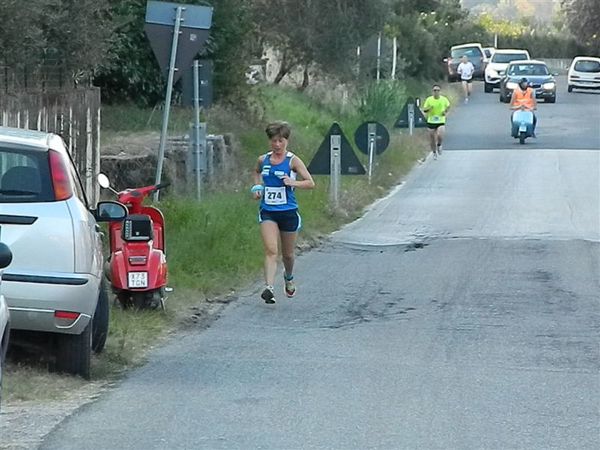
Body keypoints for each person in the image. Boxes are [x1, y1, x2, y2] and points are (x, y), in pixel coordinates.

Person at [252, 121, 315, 304]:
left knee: (287, 254)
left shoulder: (292, 161)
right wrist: (256, 187)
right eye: (274, 141)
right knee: (271, 250)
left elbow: (310, 182)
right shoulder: (263, 160)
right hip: (268, 212)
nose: (277, 145)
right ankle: (269, 288)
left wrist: (293, 183)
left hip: (288, 212)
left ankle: (288, 277)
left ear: (286, 141)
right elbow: (256, 172)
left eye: (281, 141)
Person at [422, 84, 451, 159]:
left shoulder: (444, 99)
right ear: (432, 91)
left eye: (438, 90)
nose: (436, 92)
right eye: (435, 90)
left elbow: (448, 106)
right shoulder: (429, 99)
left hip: (440, 120)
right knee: (432, 139)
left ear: (440, 91)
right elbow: (424, 109)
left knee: (440, 135)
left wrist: (445, 111)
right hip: (431, 121)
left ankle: (439, 145)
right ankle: (434, 153)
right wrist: (429, 109)